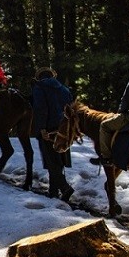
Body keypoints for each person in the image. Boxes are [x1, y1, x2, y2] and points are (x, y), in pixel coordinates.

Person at [31, 67, 74, 201]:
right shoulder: (64, 89)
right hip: (63, 129)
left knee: (51, 161)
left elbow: (41, 109)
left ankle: (64, 187)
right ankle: (53, 191)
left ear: (40, 77)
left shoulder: (39, 88)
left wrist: (42, 128)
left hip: (49, 129)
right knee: (59, 160)